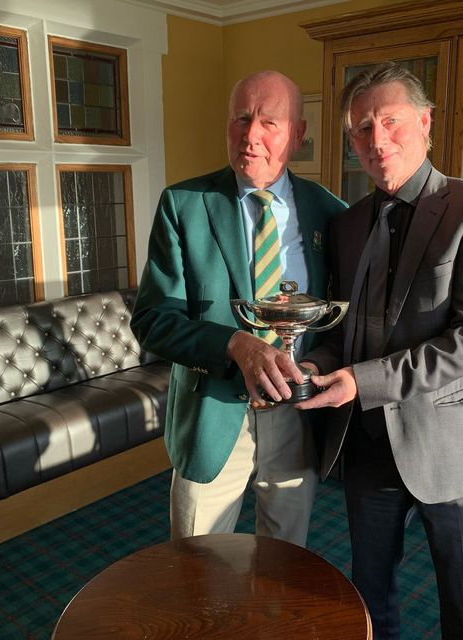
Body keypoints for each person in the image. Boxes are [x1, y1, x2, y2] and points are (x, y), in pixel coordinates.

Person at [297, 62, 463, 639]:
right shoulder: (347, 225)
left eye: (390, 121)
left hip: (453, 446)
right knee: (370, 598)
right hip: (368, 443)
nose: (377, 140)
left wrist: (361, 380)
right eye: (362, 129)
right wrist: (315, 365)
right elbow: (339, 330)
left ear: (424, 122)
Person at [131, 70, 346, 547]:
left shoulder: (331, 214)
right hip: (212, 414)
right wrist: (234, 344)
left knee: (286, 559)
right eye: (241, 119)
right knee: (196, 563)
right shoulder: (184, 205)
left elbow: (338, 325)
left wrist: (314, 366)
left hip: (297, 414)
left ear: (298, 134)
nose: (250, 136)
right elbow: (151, 320)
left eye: (269, 122)